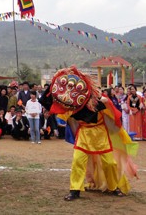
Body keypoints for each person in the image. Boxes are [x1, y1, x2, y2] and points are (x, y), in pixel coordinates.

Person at [39, 66, 138, 201]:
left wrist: (106, 103)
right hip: (84, 134)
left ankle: (113, 187)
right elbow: (70, 119)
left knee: (110, 163)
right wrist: (76, 139)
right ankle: (75, 190)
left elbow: (111, 114)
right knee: (77, 161)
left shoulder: (98, 99)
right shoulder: (71, 103)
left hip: (100, 134)